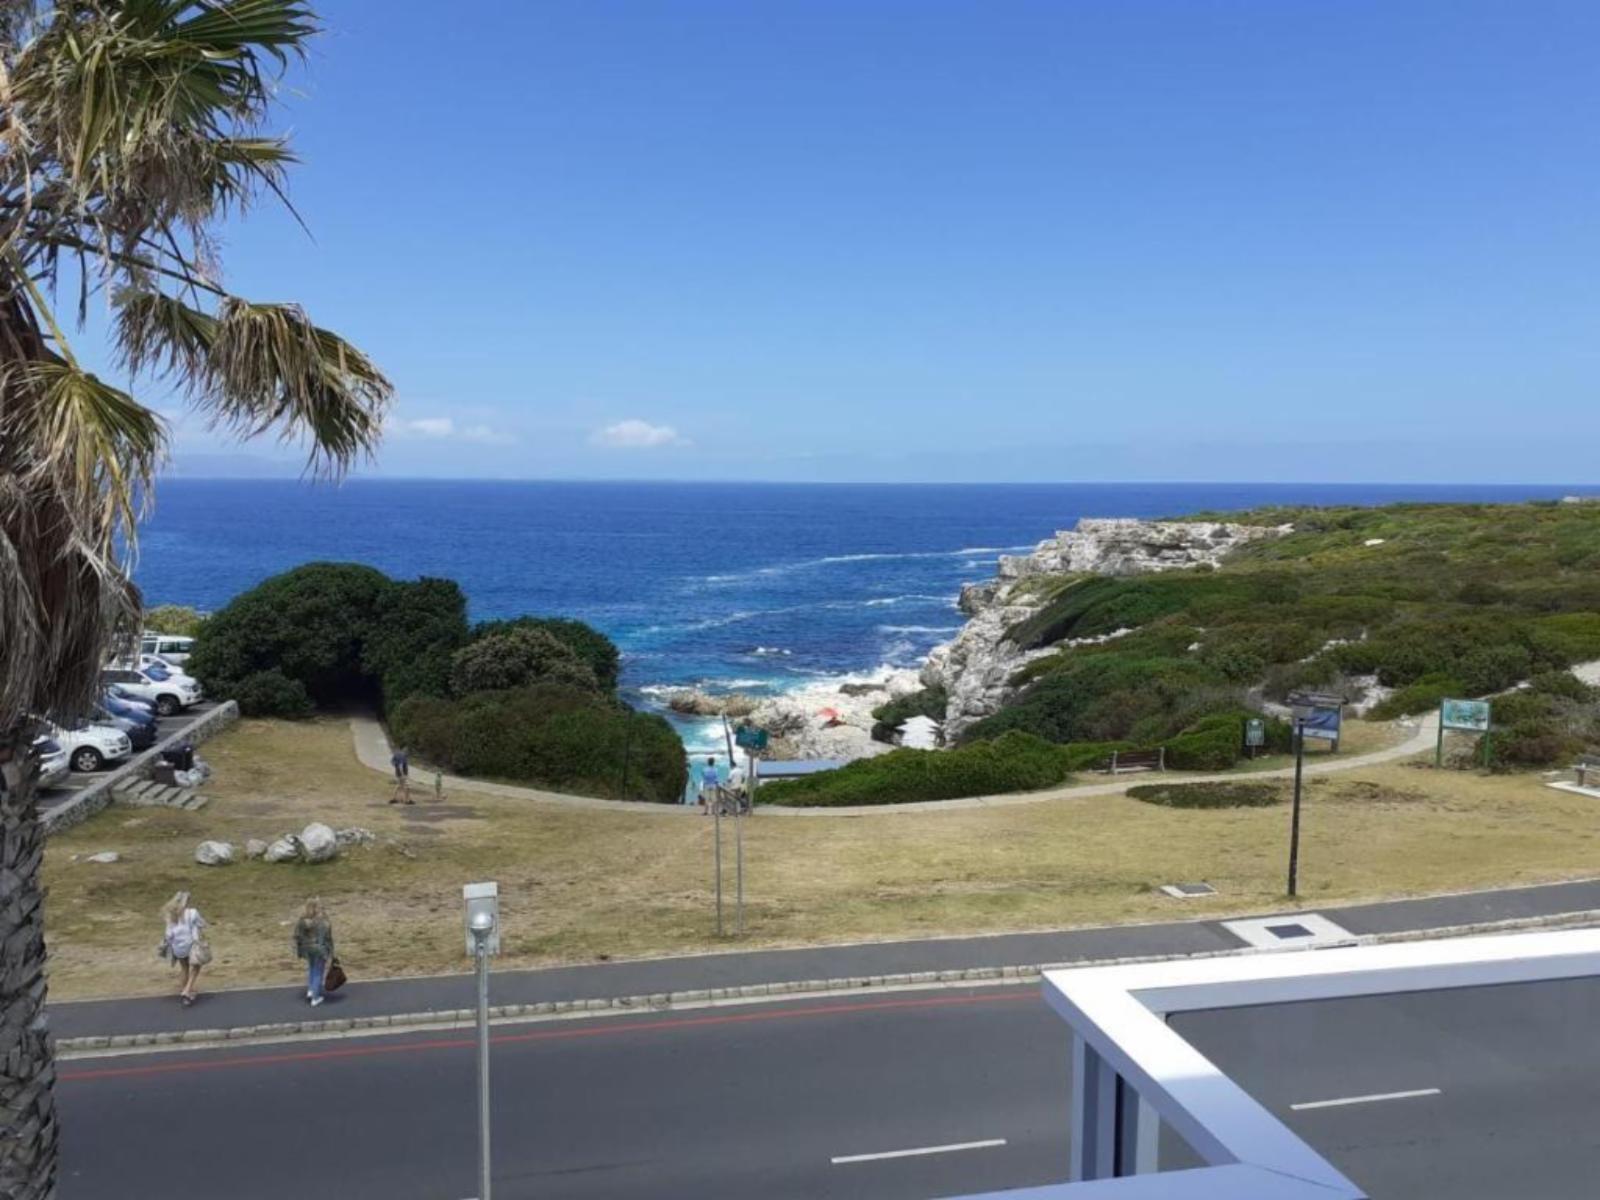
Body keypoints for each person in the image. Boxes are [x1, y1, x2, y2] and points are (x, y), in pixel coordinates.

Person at [161, 891, 206, 1006]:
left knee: (184, 968)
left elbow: (168, 934)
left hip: (177, 947)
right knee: (196, 966)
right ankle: (187, 990)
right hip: (190, 945)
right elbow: (201, 924)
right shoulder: (192, 912)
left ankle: (186, 992)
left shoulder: (170, 915)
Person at [293, 898, 335, 1007]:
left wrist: (301, 947)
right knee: (318, 972)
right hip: (320, 949)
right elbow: (327, 937)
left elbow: (297, 935)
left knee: (312, 968)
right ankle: (315, 997)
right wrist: (331, 951)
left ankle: (311, 989)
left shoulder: (303, 920)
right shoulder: (323, 921)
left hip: (308, 949)